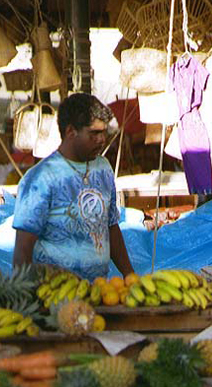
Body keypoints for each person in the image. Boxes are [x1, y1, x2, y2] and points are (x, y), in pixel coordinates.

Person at [12, 92, 133, 281]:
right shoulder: (40, 178)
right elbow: (23, 248)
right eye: (94, 133)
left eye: (103, 132)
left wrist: (129, 275)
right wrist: (23, 290)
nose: (102, 140)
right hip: (54, 293)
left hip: (99, 290)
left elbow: (111, 227)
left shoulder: (103, 168)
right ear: (70, 132)